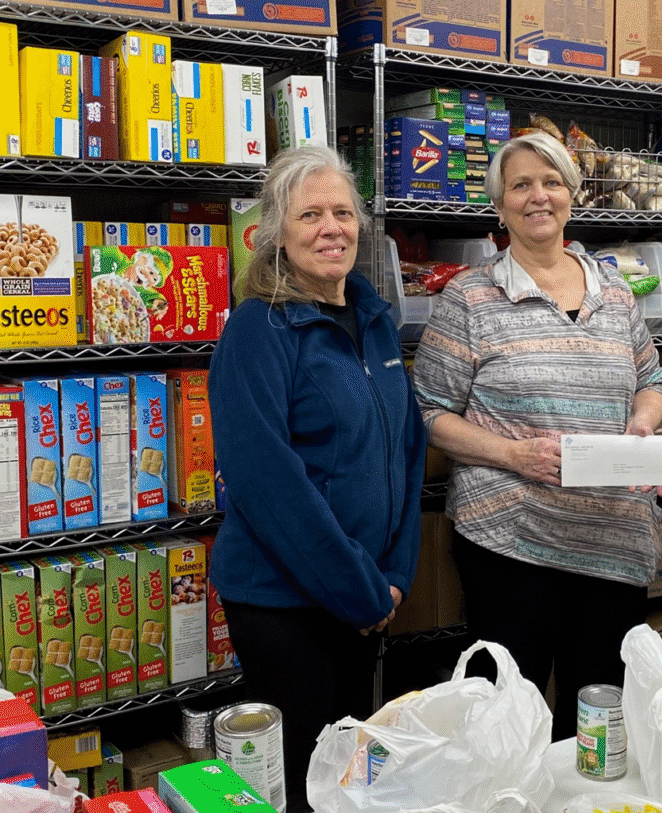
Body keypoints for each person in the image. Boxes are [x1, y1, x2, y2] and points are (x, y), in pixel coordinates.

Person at [412, 132, 662, 740]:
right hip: (511, 542)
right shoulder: (470, 296)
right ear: (499, 207)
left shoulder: (613, 292)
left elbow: (654, 377)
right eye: (520, 185)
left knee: (599, 715)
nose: (538, 197)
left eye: (552, 182)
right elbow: (430, 411)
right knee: (513, 716)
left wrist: (645, 418)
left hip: (613, 541)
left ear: (572, 198)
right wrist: (513, 455)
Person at [208, 144, 426, 813]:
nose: (331, 227)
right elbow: (267, 481)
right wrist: (363, 591)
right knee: (301, 783)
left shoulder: (374, 319)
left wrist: (395, 572)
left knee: (348, 778)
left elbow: (409, 448)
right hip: (286, 606)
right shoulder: (257, 329)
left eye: (342, 212)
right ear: (276, 233)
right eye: (310, 215)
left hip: (364, 599)